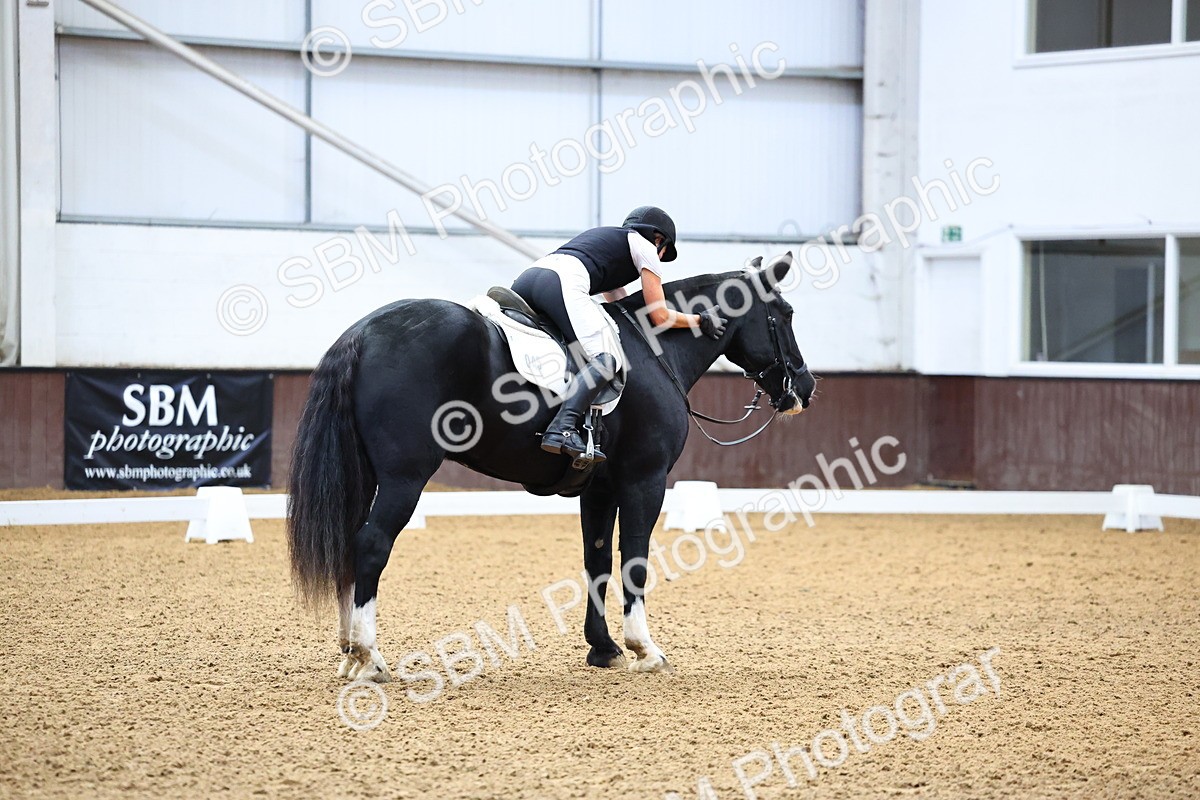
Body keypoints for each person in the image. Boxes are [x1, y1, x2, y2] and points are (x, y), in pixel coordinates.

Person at [511, 206, 727, 463]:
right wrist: (700, 320)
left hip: (528, 279)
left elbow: (617, 299)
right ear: (659, 239)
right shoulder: (646, 247)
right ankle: (563, 427)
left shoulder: (611, 242)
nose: (660, 256)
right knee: (606, 358)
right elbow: (659, 315)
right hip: (562, 282)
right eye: (663, 251)